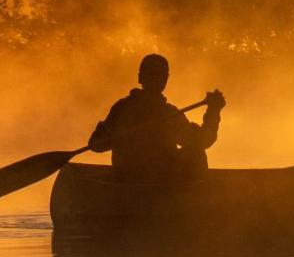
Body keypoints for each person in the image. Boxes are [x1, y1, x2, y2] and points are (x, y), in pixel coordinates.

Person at [88, 53, 226, 181]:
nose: (157, 79)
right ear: (141, 77)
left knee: (195, 146)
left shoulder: (123, 107)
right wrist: (213, 112)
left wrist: (213, 112)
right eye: (153, 74)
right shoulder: (167, 113)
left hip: (128, 176)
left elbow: (96, 144)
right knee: (196, 150)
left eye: (160, 75)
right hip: (159, 179)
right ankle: (194, 197)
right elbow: (203, 141)